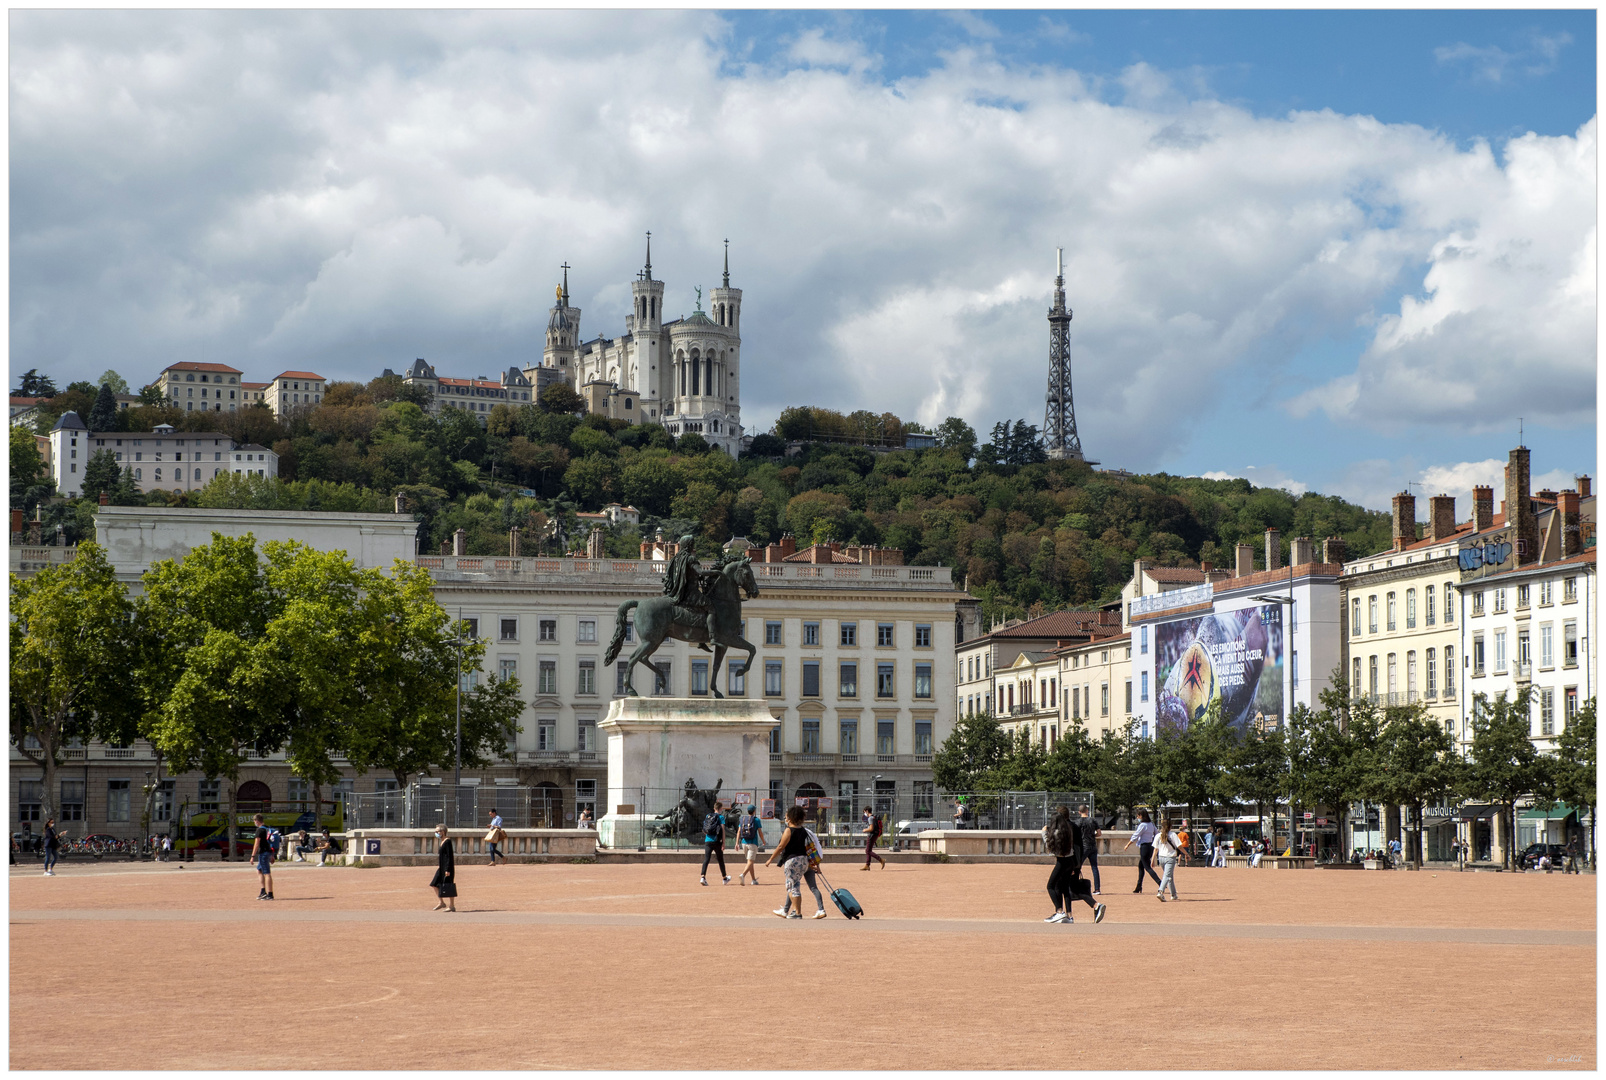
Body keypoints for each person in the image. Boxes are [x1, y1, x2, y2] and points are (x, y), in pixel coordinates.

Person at [1043, 806, 1105, 924]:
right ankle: (1069, 915)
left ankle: (1094, 905)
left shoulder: (1066, 828)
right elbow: (1079, 846)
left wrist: (1076, 865)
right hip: (1076, 859)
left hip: (1070, 861)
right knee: (1067, 888)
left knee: (1068, 888)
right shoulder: (1074, 826)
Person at [765, 805, 825, 919]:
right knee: (795, 885)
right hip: (804, 860)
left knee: (793, 887)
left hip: (792, 861)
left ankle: (797, 913)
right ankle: (791, 911)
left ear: (791, 818)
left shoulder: (789, 830)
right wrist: (816, 864)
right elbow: (811, 847)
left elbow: (781, 846)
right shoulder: (804, 831)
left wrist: (770, 859)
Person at [1123, 810, 1162, 893]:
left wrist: (1128, 844)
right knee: (1141, 866)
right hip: (1150, 846)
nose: (1137, 818)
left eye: (1138, 816)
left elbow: (1135, 835)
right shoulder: (1151, 824)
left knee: (1147, 867)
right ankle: (1138, 886)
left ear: (1141, 816)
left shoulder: (1142, 825)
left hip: (1144, 847)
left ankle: (1160, 882)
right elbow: (1157, 833)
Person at [700, 800, 730, 886]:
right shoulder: (721, 817)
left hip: (708, 840)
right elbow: (723, 830)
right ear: (721, 809)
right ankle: (724, 878)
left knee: (706, 859)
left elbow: (705, 829)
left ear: (714, 808)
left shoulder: (708, 816)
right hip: (717, 841)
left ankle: (703, 877)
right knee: (720, 860)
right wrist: (724, 842)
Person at [736, 804, 765, 885]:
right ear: (754, 811)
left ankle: (753, 880)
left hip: (744, 843)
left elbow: (738, 831)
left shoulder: (743, 819)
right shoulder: (756, 820)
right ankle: (743, 875)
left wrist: (736, 843)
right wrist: (763, 841)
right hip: (753, 843)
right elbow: (760, 832)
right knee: (750, 861)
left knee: (750, 862)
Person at [1076, 805, 1102, 895]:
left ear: (1079, 812)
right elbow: (1099, 833)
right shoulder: (1093, 820)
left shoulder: (1078, 822)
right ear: (1087, 810)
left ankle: (1075, 886)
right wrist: (1092, 836)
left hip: (1083, 846)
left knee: (1078, 866)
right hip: (1093, 846)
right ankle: (1097, 889)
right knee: (1094, 867)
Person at [1154, 816, 1181, 901]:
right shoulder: (1173, 835)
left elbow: (1155, 849)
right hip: (1170, 857)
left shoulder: (1158, 835)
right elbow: (1179, 846)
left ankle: (1173, 894)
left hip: (1161, 857)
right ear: (1170, 826)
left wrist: (1152, 859)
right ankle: (1160, 892)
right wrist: (1186, 853)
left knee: (1169, 876)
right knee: (1167, 875)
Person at [430, 825, 456, 911]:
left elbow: (449, 856)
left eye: (438, 831)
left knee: (448, 885)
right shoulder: (442, 841)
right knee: (434, 884)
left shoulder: (447, 841)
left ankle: (452, 906)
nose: (436, 833)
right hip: (441, 867)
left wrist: (447, 869)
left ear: (443, 832)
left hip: (447, 868)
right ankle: (441, 902)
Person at [250, 814, 274, 900]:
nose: (254, 822)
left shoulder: (259, 830)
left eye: (254, 821)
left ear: (257, 820)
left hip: (263, 853)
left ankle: (270, 894)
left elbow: (256, 844)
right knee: (259, 870)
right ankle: (263, 891)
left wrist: (253, 856)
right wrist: (272, 855)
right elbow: (271, 843)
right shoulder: (267, 829)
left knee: (267, 873)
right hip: (268, 852)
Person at [861, 806, 886, 871]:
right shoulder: (874, 817)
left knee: (868, 851)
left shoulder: (870, 818)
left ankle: (881, 860)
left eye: (864, 812)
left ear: (866, 811)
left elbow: (871, 828)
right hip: (875, 834)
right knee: (868, 850)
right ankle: (867, 865)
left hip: (871, 835)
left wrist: (865, 830)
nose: (864, 814)